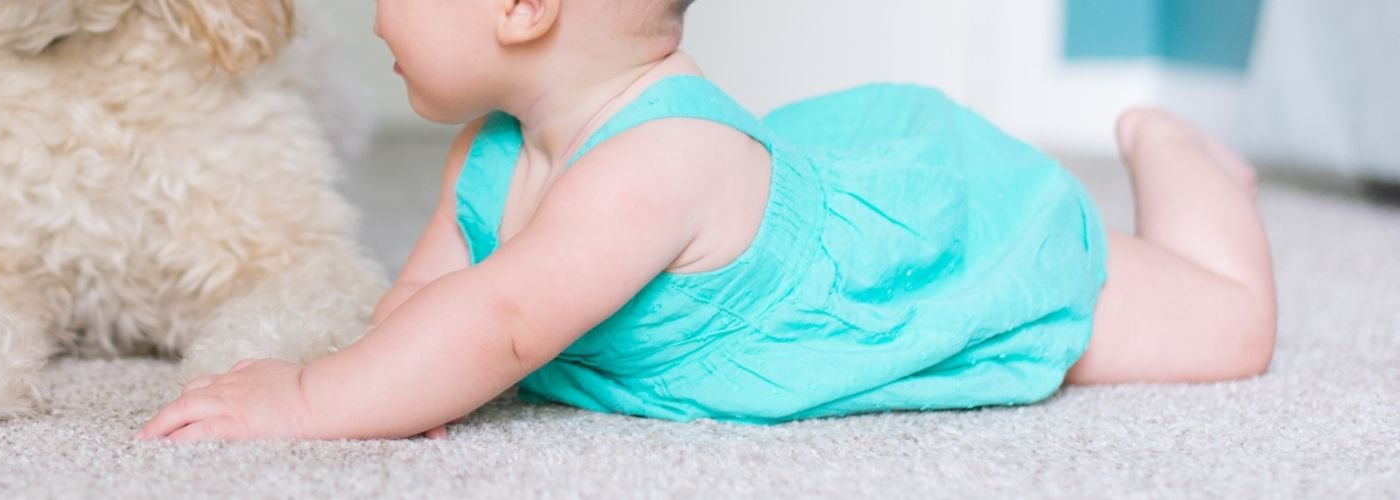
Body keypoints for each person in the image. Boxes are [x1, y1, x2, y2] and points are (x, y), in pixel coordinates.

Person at [138, 0, 1278, 441]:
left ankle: (1183, 165)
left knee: (1224, 332)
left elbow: (498, 322)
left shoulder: (656, 163)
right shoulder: (489, 152)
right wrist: (392, 381)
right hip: (792, 191)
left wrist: (307, 400)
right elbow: (433, 304)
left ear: (521, 7)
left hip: (920, 257)